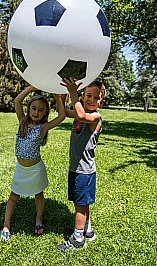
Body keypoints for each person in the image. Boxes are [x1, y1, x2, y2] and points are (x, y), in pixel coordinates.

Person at [0, 85, 65, 241]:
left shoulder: (43, 127)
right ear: (28, 109)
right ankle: (6, 225)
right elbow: (17, 101)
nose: (36, 112)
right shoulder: (22, 121)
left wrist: (57, 98)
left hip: (36, 170)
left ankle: (38, 219)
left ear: (45, 113)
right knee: (14, 196)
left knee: (38, 194)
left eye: (41, 110)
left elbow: (62, 116)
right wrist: (32, 87)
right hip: (21, 170)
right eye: (33, 108)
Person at [57, 78, 106, 251]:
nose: (91, 100)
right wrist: (59, 98)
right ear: (83, 97)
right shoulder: (80, 112)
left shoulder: (95, 117)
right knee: (83, 203)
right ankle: (88, 231)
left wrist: (72, 92)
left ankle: (78, 240)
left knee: (79, 205)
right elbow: (63, 113)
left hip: (84, 171)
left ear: (102, 102)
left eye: (96, 98)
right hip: (76, 168)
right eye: (88, 96)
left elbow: (81, 116)